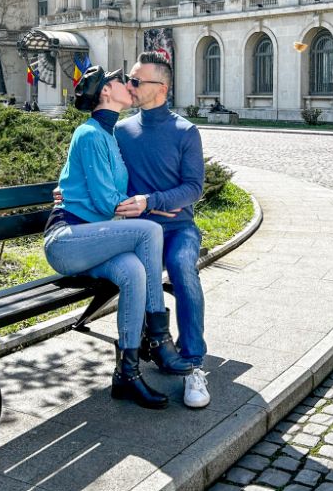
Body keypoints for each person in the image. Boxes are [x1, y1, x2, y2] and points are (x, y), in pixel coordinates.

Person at [43, 65, 192, 410]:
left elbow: (106, 194)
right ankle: (158, 337)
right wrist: (152, 209)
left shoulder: (109, 135)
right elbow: (106, 201)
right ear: (105, 92)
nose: (129, 86)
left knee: (133, 272)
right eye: (121, 82)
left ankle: (127, 373)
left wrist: (146, 203)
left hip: (95, 240)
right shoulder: (90, 134)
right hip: (68, 240)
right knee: (150, 230)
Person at [115, 51, 211, 409]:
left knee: (184, 269)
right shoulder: (122, 130)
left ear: (162, 88)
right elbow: (110, 179)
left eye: (137, 81)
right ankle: (152, 345)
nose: (131, 86)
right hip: (138, 234)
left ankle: (193, 365)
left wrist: (150, 200)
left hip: (179, 229)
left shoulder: (185, 131)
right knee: (142, 273)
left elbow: (194, 188)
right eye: (130, 80)